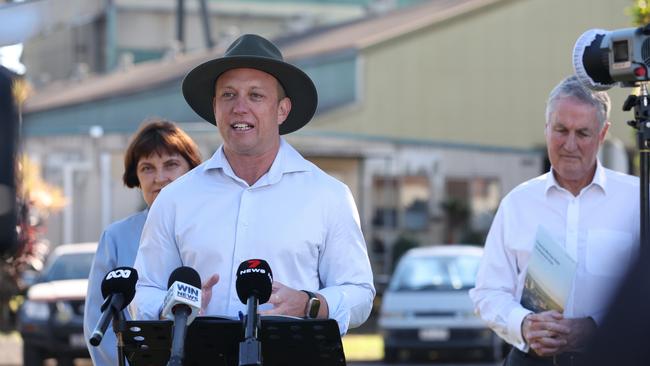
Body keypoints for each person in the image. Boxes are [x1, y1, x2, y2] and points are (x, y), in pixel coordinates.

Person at [131, 34, 375, 335]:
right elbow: (144, 289)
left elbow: (360, 292)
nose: (239, 107)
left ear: (282, 110)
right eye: (228, 95)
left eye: (256, 95)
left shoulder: (328, 196)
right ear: (215, 107)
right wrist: (176, 306)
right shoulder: (175, 199)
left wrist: (310, 303)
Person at [469, 75, 639, 366]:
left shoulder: (637, 201)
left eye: (583, 133)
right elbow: (488, 292)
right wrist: (523, 325)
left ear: (602, 134)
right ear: (546, 127)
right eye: (561, 130)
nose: (569, 144)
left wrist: (595, 328)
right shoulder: (517, 204)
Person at [83, 120, 202, 366]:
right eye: (147, 168)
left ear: (192, 170)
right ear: (135, 177)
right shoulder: (116, 237)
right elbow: (98, 322)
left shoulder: (213, 230)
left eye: (171, 165)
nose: (160, 178)